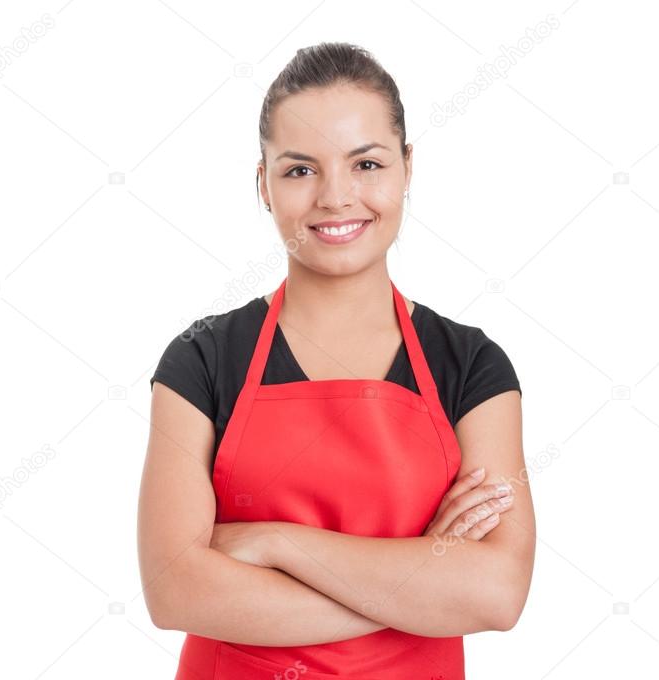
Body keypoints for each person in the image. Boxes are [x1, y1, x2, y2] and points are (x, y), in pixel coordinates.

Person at [138, 42, 535, 679]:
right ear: (262, 183)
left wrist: (275, 543)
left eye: (367, 164)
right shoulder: (202, 359)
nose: (336, 196)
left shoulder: (472, 366)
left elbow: (496, 594)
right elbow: (175, 592)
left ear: (407, 168)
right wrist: (421, 584)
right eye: (300, 170)